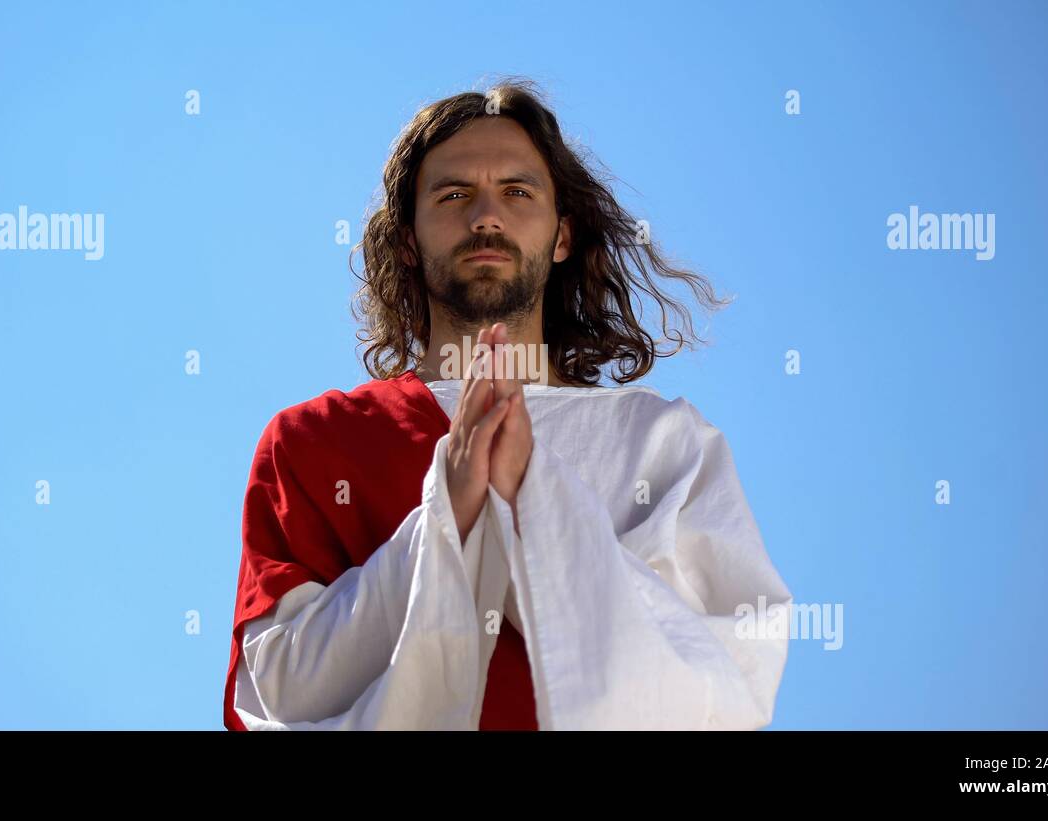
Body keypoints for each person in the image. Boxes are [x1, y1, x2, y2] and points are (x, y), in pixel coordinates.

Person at [224, 79, 792, 730]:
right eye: (454, 194)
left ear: (560, 236)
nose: (485, 217)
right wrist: (448, 517)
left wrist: (533, 499)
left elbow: (728, 681)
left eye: (517, 192)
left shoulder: (663, 442)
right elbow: (275, 692)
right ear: (408, 238)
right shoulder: (315, 440)